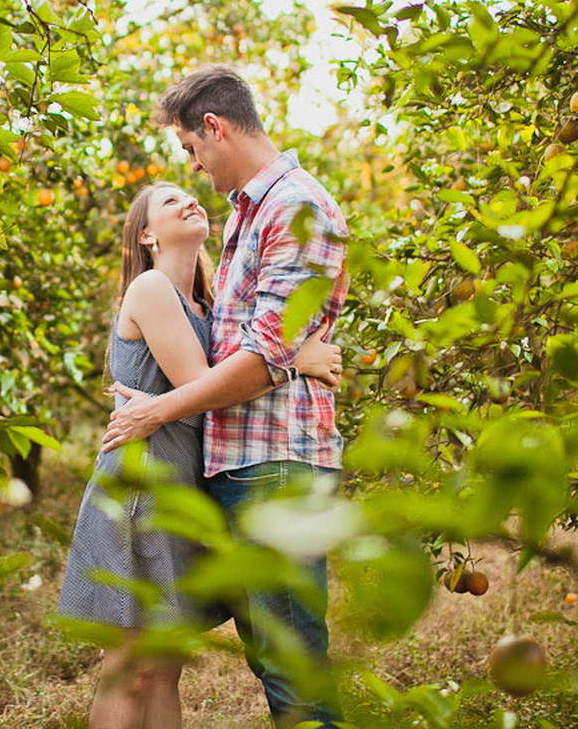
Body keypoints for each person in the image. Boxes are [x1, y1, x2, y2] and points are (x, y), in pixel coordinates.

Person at [100, 64, 351, 728]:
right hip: (240, 465)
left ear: (213, 128)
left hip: (274, 463)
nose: (194, 169)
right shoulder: (251, 210)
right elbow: (248, 341)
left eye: (189, 149)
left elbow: (256, 359)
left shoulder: (296, 208)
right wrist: (293, 353)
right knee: (274, 656)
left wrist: (157, 408)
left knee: (292, 662)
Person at [57, 180, 342, 729]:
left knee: (165, 666)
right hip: (143, 487)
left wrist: (277, 355)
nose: (188, 200)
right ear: (146, 234)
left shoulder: (203, 306)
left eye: (190, 194)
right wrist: (296, 358)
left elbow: (223, 378)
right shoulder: (151, 287)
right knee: (132, 663)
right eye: (168, 201)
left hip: (181, 489)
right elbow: (206, 384)